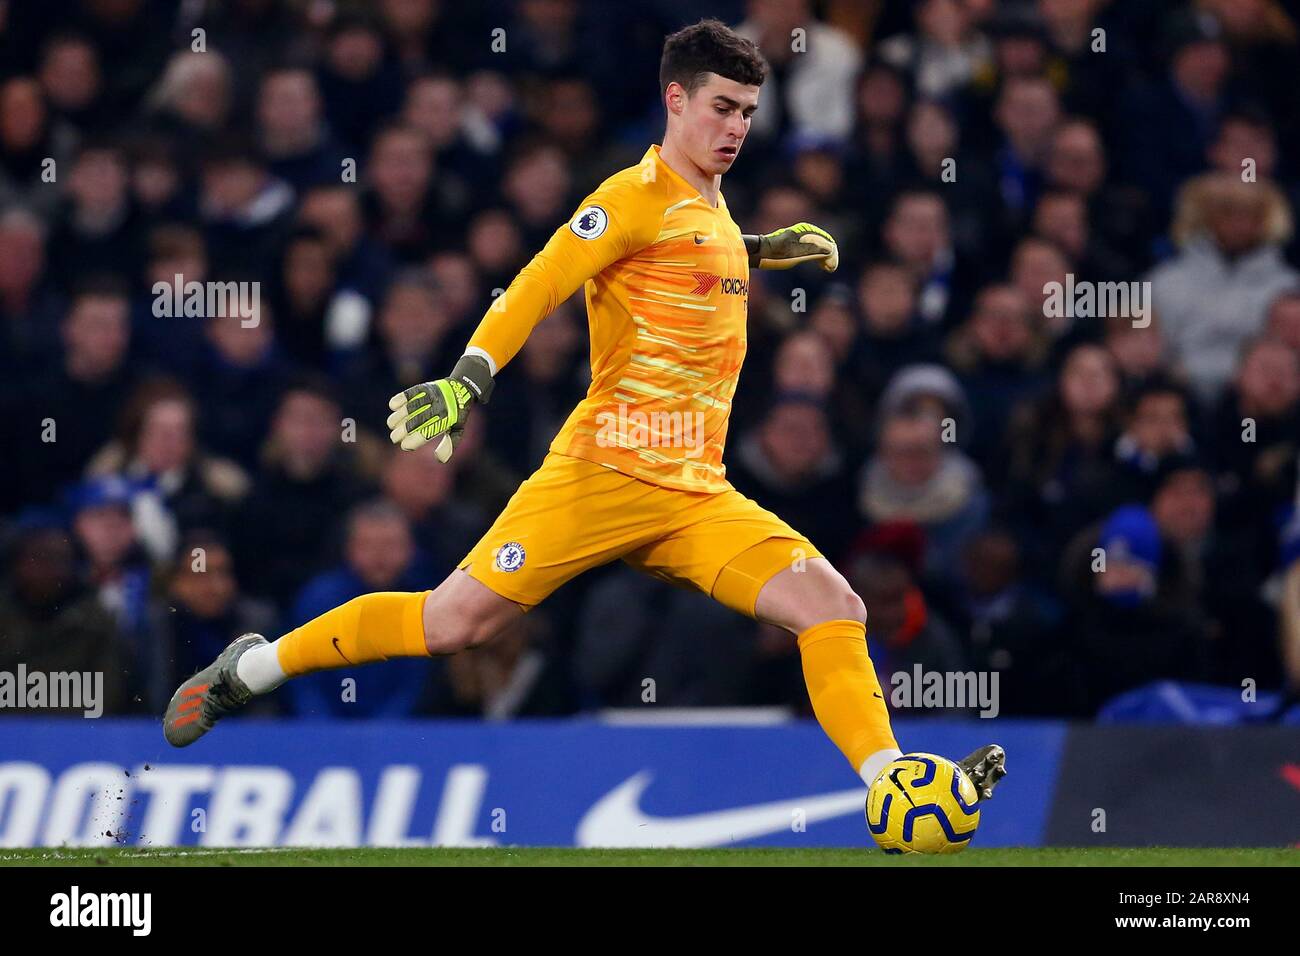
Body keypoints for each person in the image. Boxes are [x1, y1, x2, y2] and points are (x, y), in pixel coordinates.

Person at [163, 19, 1005, 810]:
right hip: (601, 474)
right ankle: (253, 669)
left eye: (748, 111)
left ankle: (890, 779)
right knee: (452, 623)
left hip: (694, 493)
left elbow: (683, 263)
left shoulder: (709, 209)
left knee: (835, 607)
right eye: (720, 106)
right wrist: (467, 379)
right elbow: (540, 280)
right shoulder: (631, 195)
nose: (737, 126)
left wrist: (756, 248)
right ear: (674, 100)